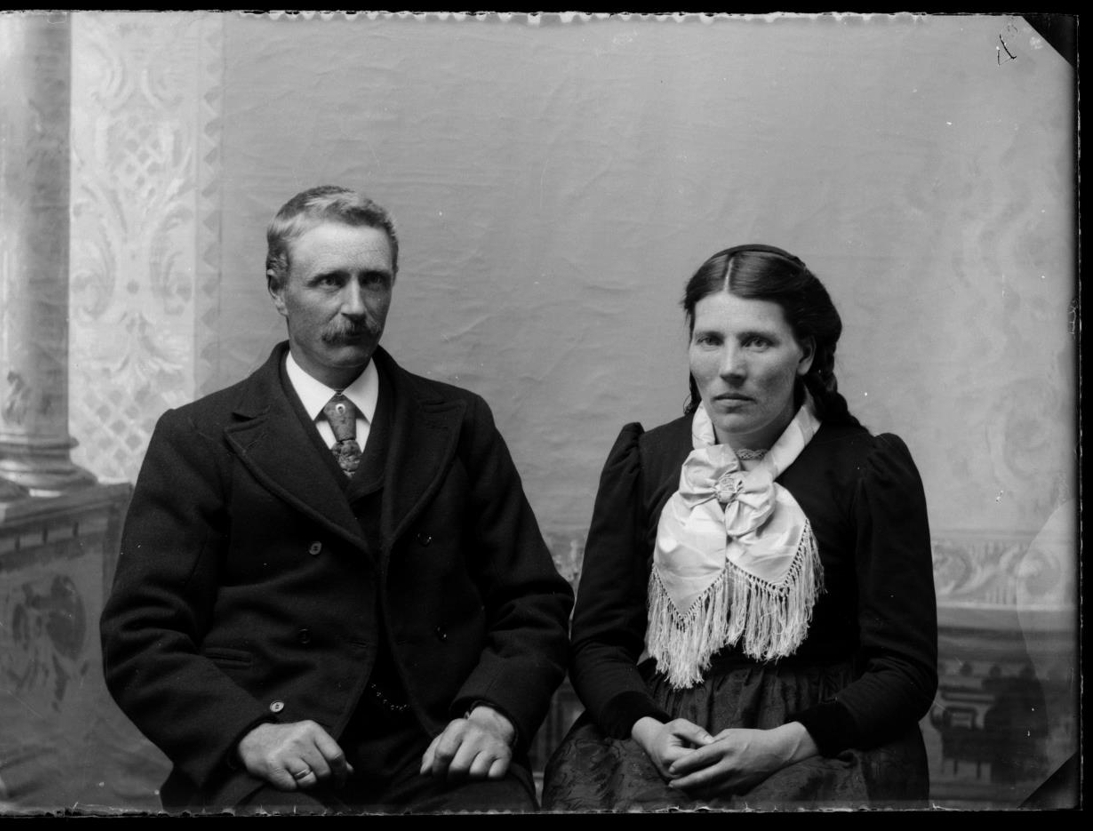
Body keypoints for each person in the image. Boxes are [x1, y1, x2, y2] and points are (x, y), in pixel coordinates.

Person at [100, 185, 573, 814]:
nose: (355, 306)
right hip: (274, 754)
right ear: (277, 289)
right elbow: (140, 635)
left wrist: (493, 714)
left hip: (438, 749)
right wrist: (248, 735)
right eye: (329, 282)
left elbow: (533, 601)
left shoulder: (458, 423)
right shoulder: (199, 438)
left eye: (374, 281)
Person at [542, 244, 937, 810]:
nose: (729, 366)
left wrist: (786, 745)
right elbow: (599, 643)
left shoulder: (867, 470)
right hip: (664, 735)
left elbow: (906, 669)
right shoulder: (646, 462)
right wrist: (650, 731)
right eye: (710, 340)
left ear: (805, 353)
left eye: (757, 341)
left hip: (818, 741)